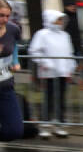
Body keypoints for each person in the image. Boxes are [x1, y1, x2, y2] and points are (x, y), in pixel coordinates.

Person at [29, 9, 76, 139]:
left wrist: (71, 66)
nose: (61, 22)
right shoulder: (42, 34)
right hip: (48, 73)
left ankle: (59, 125)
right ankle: (44, 126)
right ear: (51, 20)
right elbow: (34, 51)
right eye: (58, 19)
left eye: (62, 19)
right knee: (48, 99)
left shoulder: (65, 35)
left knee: (61, 99)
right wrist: (46, 63)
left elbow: (69, 53)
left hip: (63, 72)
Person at [0, 0, 25, 141]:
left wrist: (16, 61)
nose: (5, 19)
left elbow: (14, 46)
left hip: (5, 85)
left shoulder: (13, 29)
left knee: (15, 131)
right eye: (1, 15)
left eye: (7, 16)